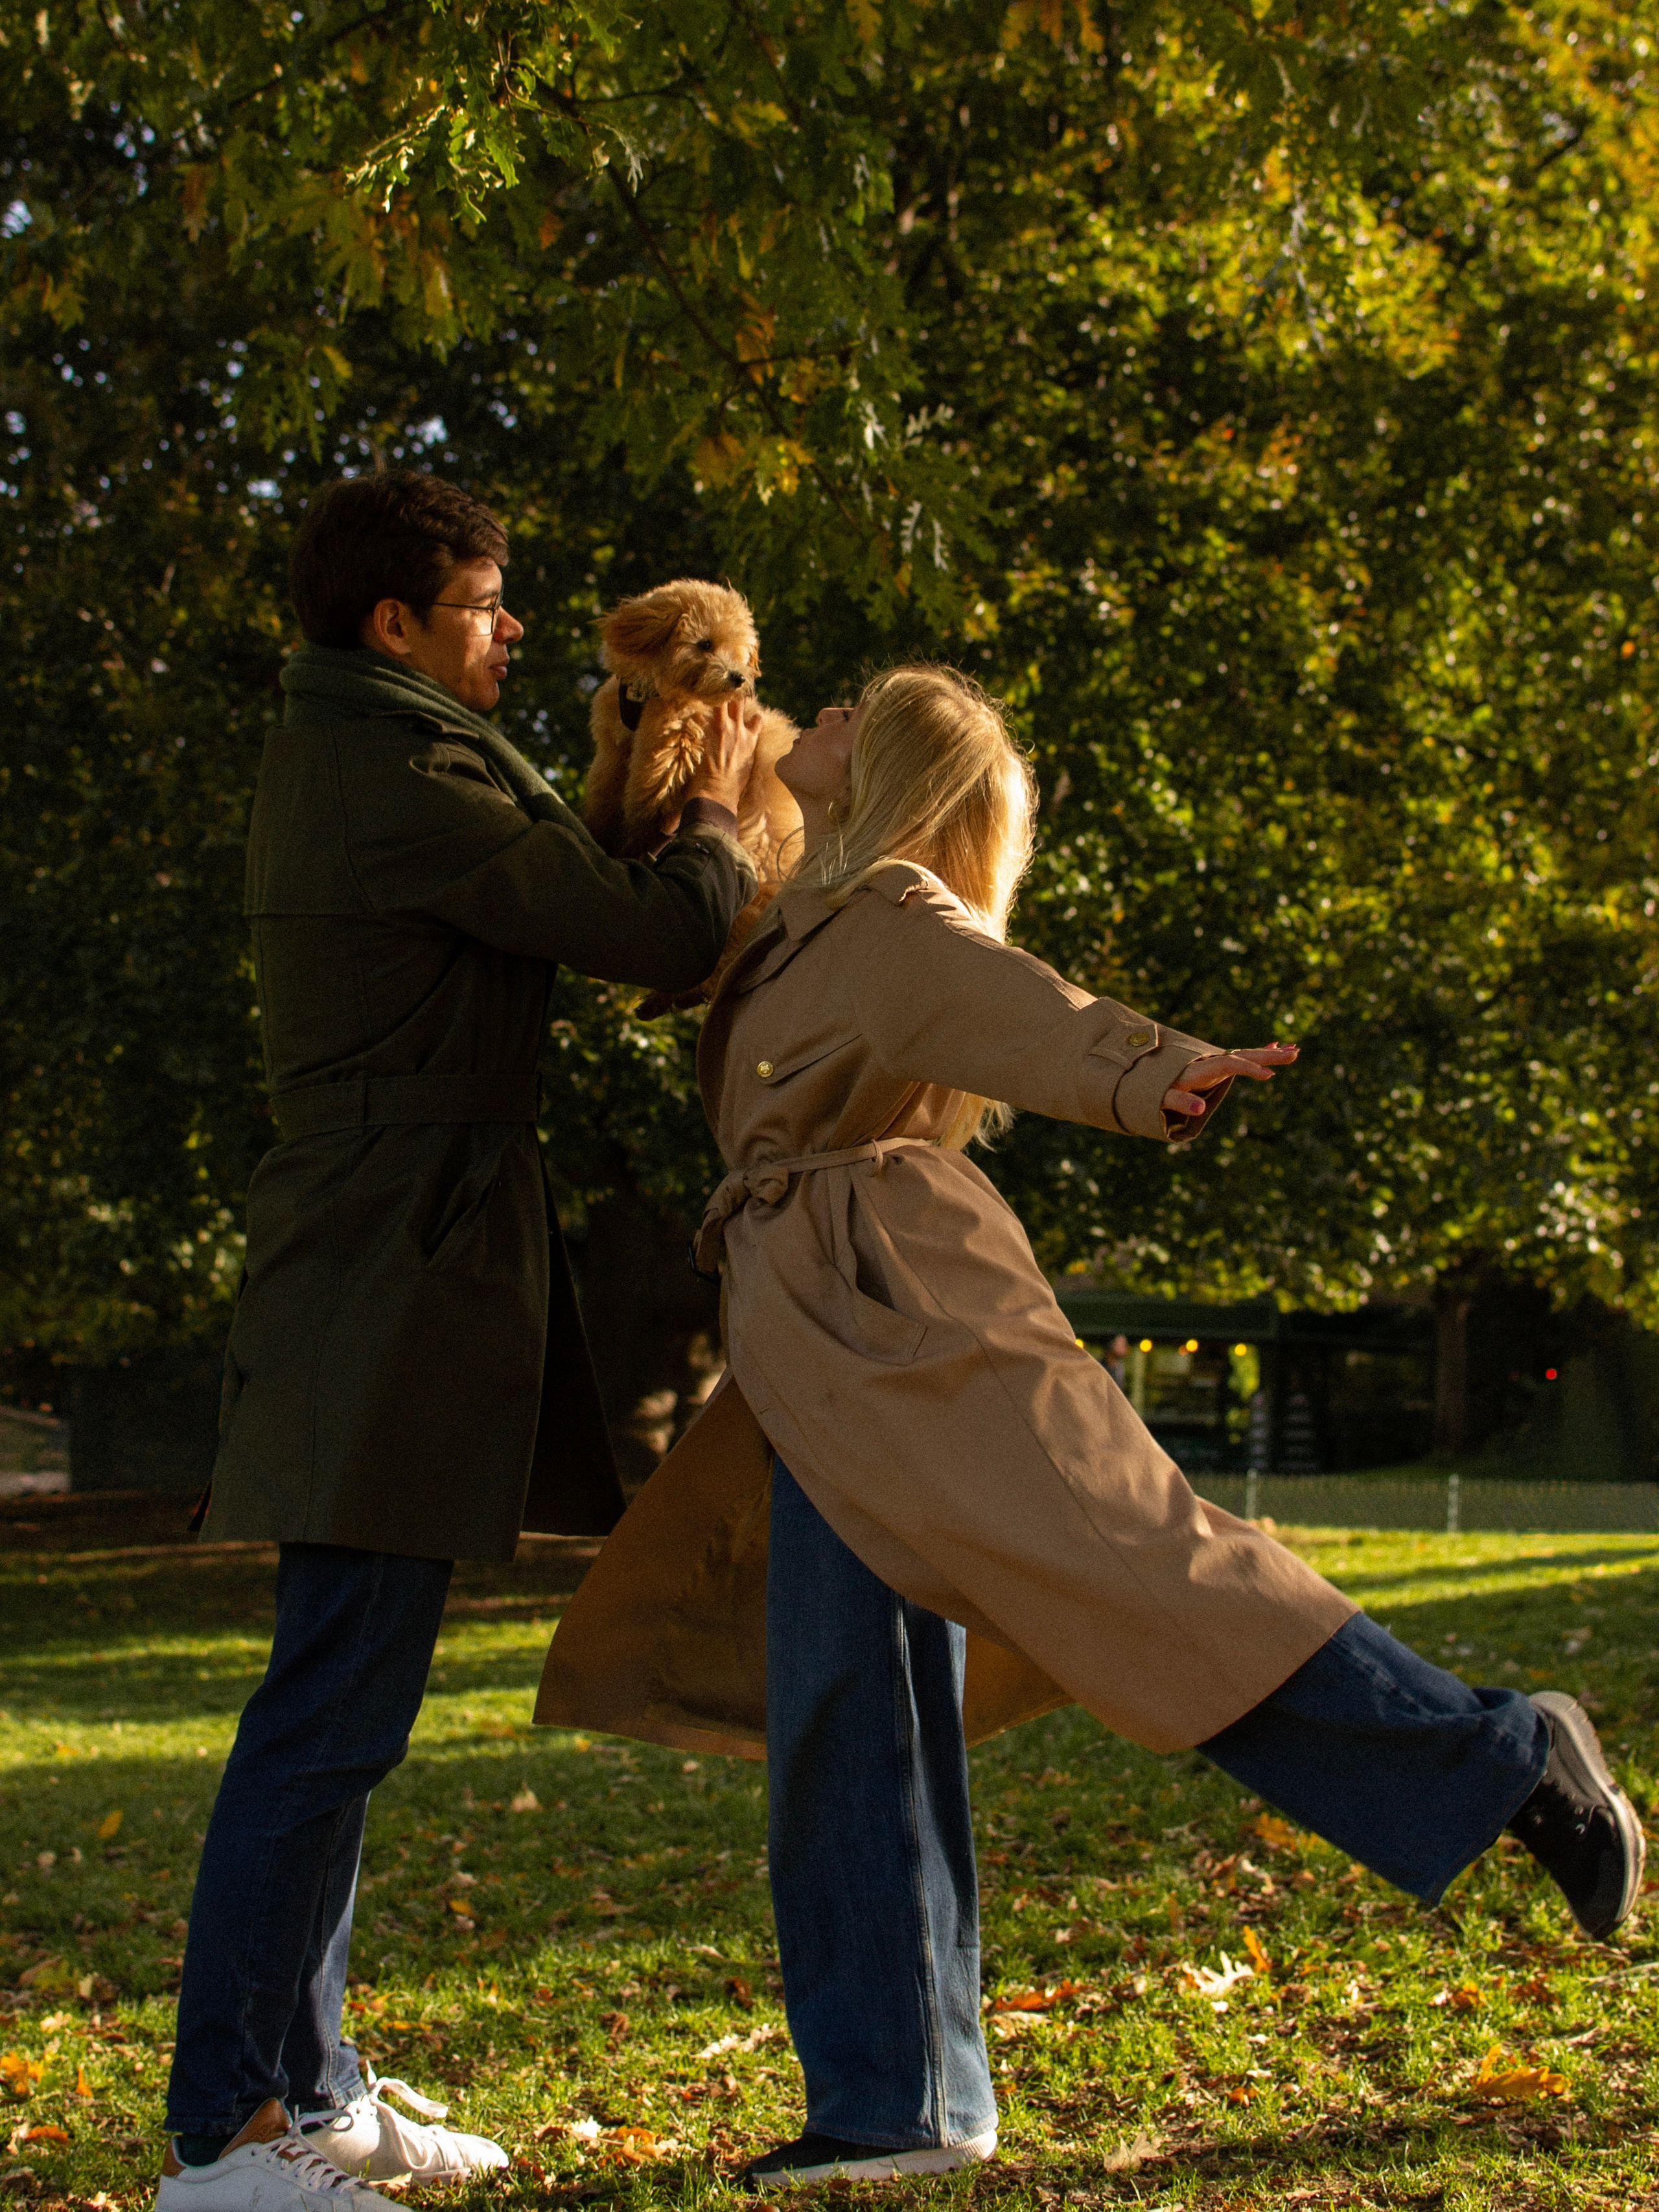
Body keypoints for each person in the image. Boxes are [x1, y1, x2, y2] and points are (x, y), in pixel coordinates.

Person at [535, 664, 1645, 2191]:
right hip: (815, 1350)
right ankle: (899, 2098)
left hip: (918, 1323)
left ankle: (1501, 1756)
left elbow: (1023, 1007)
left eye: (860, 706)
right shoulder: (792, 916)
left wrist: (1156, 1070)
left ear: (896, 774)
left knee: (1156, 1592)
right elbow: (652, 885)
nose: (827, 708)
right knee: (843, 1720)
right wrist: (686, 751)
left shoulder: (899, 916)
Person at [157, 473, 760, 2212]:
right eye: (490, 605)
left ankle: (312, 2088)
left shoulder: (389, 747)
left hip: (400, 1257)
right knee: (325, 1713)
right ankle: (222, 2135)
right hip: (386, 1271)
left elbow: (574, 872)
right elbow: (643, 926)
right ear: (395, 624)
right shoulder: (399, 772)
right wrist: (720, 811)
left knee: (340, 1707)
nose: (515, 630)